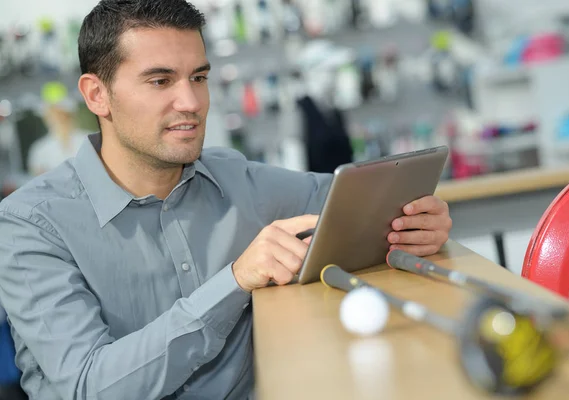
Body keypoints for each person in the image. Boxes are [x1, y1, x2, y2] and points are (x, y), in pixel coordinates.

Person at [0, 1, 452, 399]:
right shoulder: (30, 225)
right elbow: (86, 386)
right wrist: (235, 281)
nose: (191, 101)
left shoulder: (234, 176)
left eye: (199, 77)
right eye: (160, 81)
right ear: (97, 95)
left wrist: (415, 216)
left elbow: (353, 196)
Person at [27, 82, 89, 176]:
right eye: (52, 113)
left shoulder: (89, 141)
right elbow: (37, 182)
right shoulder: (40, 150)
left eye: (59, 113)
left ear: (68, 114)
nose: (56, 119)